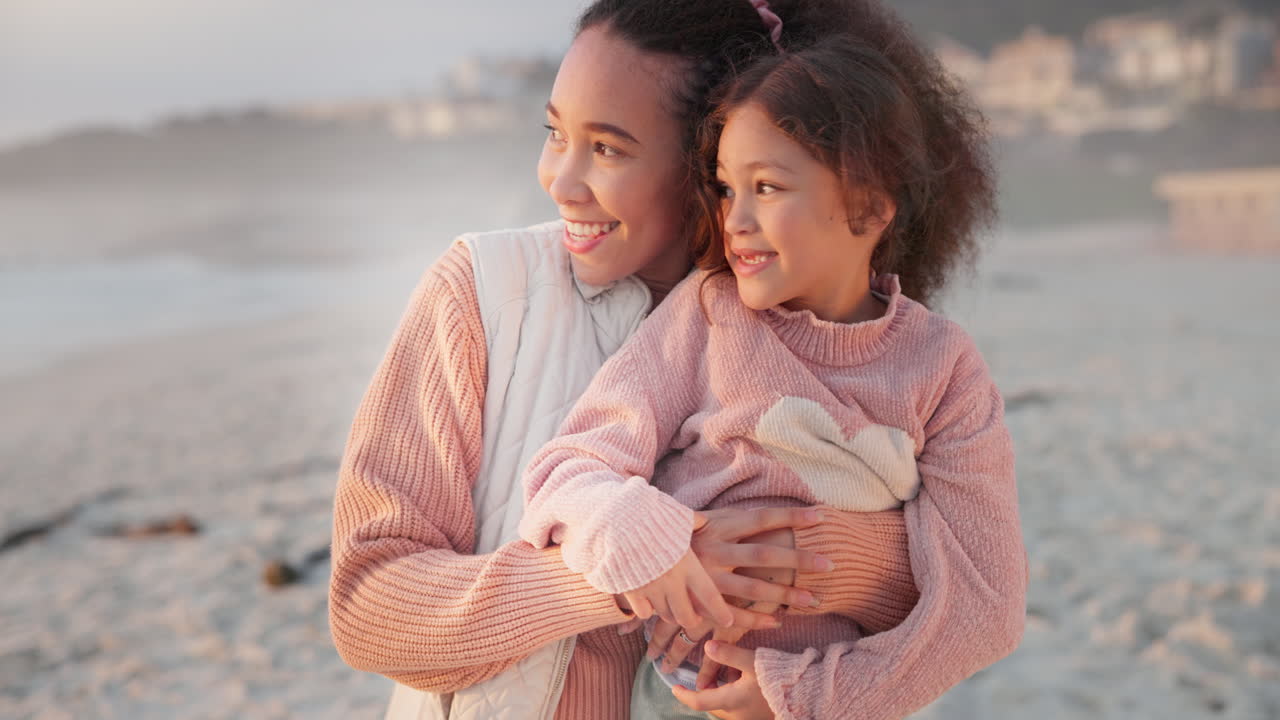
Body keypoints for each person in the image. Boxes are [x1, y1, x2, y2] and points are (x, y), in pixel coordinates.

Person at [329, 2, 927, 719]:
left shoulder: (838, 330)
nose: (560, 180)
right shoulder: (483, 293)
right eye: (555, 133)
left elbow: (937, 589)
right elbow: (368, 607)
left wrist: (810, 560)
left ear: (714, 166)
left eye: (607, 149)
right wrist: (621, 571)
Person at [519, 23, 1026, 720]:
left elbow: (987, 601)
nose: (737, 221)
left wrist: (801, 693)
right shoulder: (708, 315)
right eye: (727, 189)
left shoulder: (944, 368)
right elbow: (568, 471)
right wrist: (651, 543)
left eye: (768, 188)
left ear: (870, 207)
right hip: (681, 699)